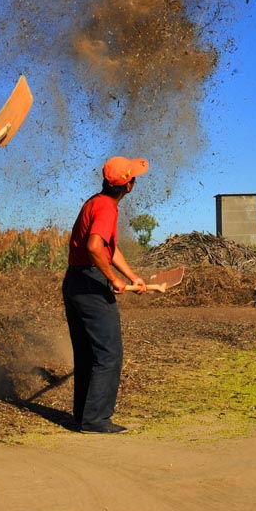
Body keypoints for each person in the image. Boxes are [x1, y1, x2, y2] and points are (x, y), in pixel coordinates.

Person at [61, 156, 149, 434]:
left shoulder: (94, 202)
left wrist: (131, 276)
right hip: (90, 282)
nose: (135, 181)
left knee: (87, 353)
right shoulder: (108, 208)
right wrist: (111, 279)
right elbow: (94, 246)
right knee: (109, 353)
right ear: (128, 186)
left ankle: (83, 416)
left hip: (74, 281)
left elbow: (109, 249)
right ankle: (96, 420)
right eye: (133, 177)